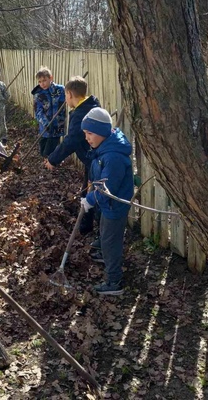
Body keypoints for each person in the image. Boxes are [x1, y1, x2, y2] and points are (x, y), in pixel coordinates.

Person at [80, 108, 134, 296]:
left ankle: (114, 281)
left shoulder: (113, 157)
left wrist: (90, 199)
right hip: (107, 206)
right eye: (85, 133)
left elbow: (107, 190)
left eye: (90, 133)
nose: (87, 138)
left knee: (111, 242)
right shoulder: (103, 148)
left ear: (102, 132)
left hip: (114, 206)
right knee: (105, 234)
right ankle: (105, 255)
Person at [44, 76, 101, 235]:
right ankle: (87, 225)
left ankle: (87, 228)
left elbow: (71, 141)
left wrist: (53, 160)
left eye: (65, 96)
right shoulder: (92, 105)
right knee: (88, 190)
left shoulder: (81, 113)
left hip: (94, 160)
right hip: (93, 157)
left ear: (69, 94)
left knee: (89, 192)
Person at [32, 66, 66, 159]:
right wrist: (46, 123)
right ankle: (51, 162)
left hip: (57, 126)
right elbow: (38, 111)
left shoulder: (60, 90)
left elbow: (69, 100)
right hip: (44, 127)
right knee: (43, 151)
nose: (42, 84)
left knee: (48, 151)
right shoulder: (38, 94)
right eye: (40, 81)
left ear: (51, 78)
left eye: (44, 80)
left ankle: (50, 166)